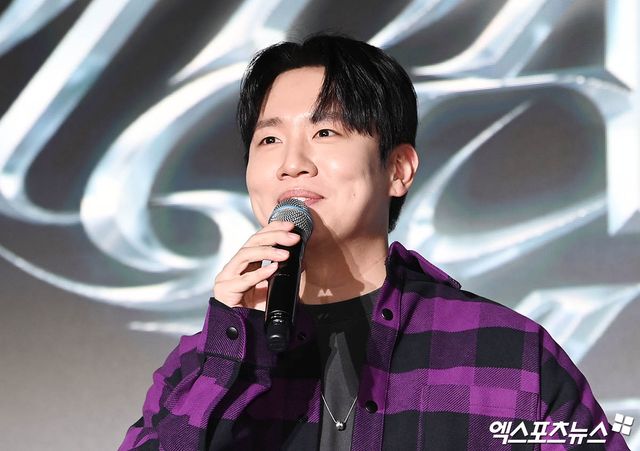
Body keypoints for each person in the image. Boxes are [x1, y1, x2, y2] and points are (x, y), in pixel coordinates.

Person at [119, 34, 629, 450]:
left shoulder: (508, 353)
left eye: (325, 133)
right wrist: (232, 352)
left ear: (398, 169)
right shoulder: (202, 365)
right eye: (269, 139)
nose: (292, 163)